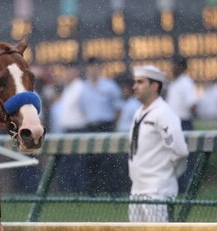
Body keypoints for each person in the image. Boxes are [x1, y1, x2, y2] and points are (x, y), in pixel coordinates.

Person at [128, 66, 188, 222]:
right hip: (137, 189)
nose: (135, 87)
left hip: (157, 190)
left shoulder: (164, 113)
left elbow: (180, 151)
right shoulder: (139, 112)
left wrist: (165, 173)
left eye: (141, 82)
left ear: (155, 86)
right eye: (135, 82)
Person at [80, 57, 124, 194]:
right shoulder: (83, 88)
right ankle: (92, 192)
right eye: (90, 68)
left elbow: (118, 108)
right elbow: (83, 109)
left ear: (99, 69)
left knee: (109, 160)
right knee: (91, 160)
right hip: (91, 126)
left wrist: (111, 124)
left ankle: (113, 191)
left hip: (106, 125)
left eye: (95, 67)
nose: (93, 71)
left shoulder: (109, 86)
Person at [167, 56, 198, 192]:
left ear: (181, 67)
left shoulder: (186, 83)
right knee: (175, 158)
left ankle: (188, 188)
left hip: (183, 123)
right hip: (173, 124)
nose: (171, 68)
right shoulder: (173, 83)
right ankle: (179, 187)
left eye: (174, 65)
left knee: (186, 158)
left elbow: (192, 105)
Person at [55, 64, 87, 193]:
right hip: (67, 131)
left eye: (68, 71)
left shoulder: (81, 87)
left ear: (76, 72)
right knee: (68, 163)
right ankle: (70, 191)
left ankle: (80, 191)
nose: (66, 74)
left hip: (78, 130)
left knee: (78, 164)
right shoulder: (68, 88)